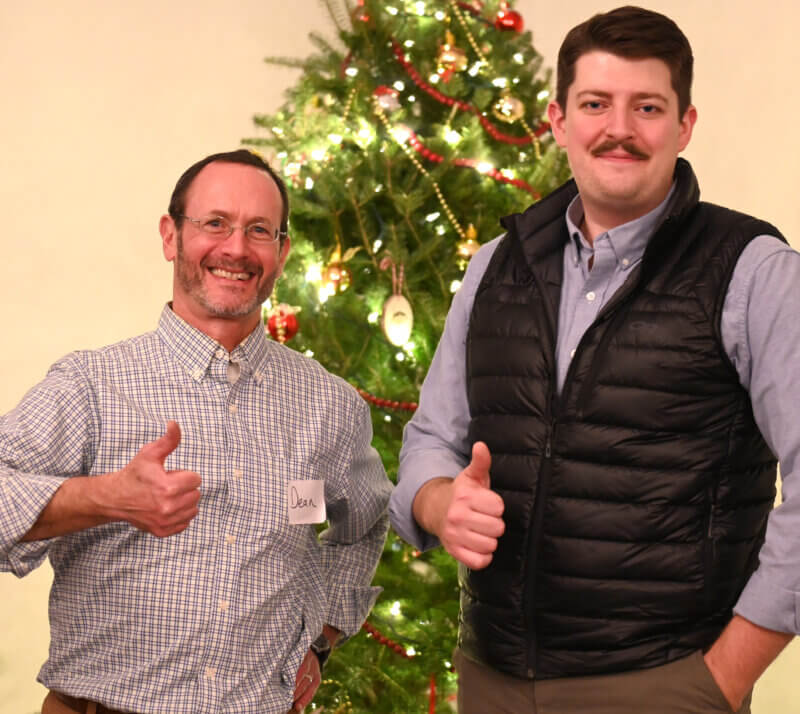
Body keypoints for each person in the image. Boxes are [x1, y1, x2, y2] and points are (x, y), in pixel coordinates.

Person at [389, 6, 800, 713]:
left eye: (647, 106)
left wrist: (722, 676)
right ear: (557, 120)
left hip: (665, 684)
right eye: (595, 104)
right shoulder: (496, 265)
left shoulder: (755, 272)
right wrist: (438, 501)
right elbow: (431, 439)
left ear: (685, 124)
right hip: (491, 678)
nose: (619, 128)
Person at [0, 149, 392, 714]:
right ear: (171, 236)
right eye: (215, 223)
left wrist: (322, 637)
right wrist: (103, 498)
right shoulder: (90, 385)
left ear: (281, 253)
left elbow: (365, 522)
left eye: (259, 230)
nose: (236, 248)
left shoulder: (329, 404)